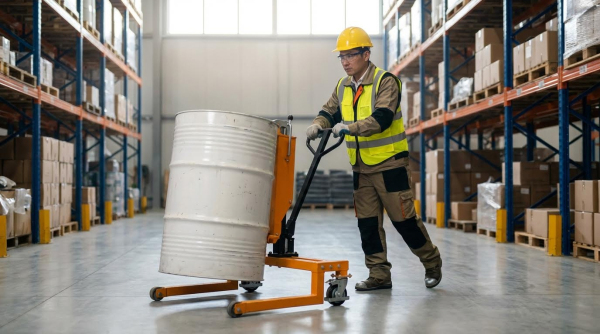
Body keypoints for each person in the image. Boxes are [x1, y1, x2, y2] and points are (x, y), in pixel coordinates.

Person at [306, 27, 442, 291]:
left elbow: (383, 117)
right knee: (367, 224)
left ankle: (432, 262)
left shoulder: (386, 81)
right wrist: (317, 123)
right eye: (341, 56)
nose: (345, 61)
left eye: (351, 55)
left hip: (390, 164)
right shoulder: (343, 86)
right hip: (361, 167)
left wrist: (350, 128)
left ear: (366, 54)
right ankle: (379, 274)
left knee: (404, 222)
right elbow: (329, 111)